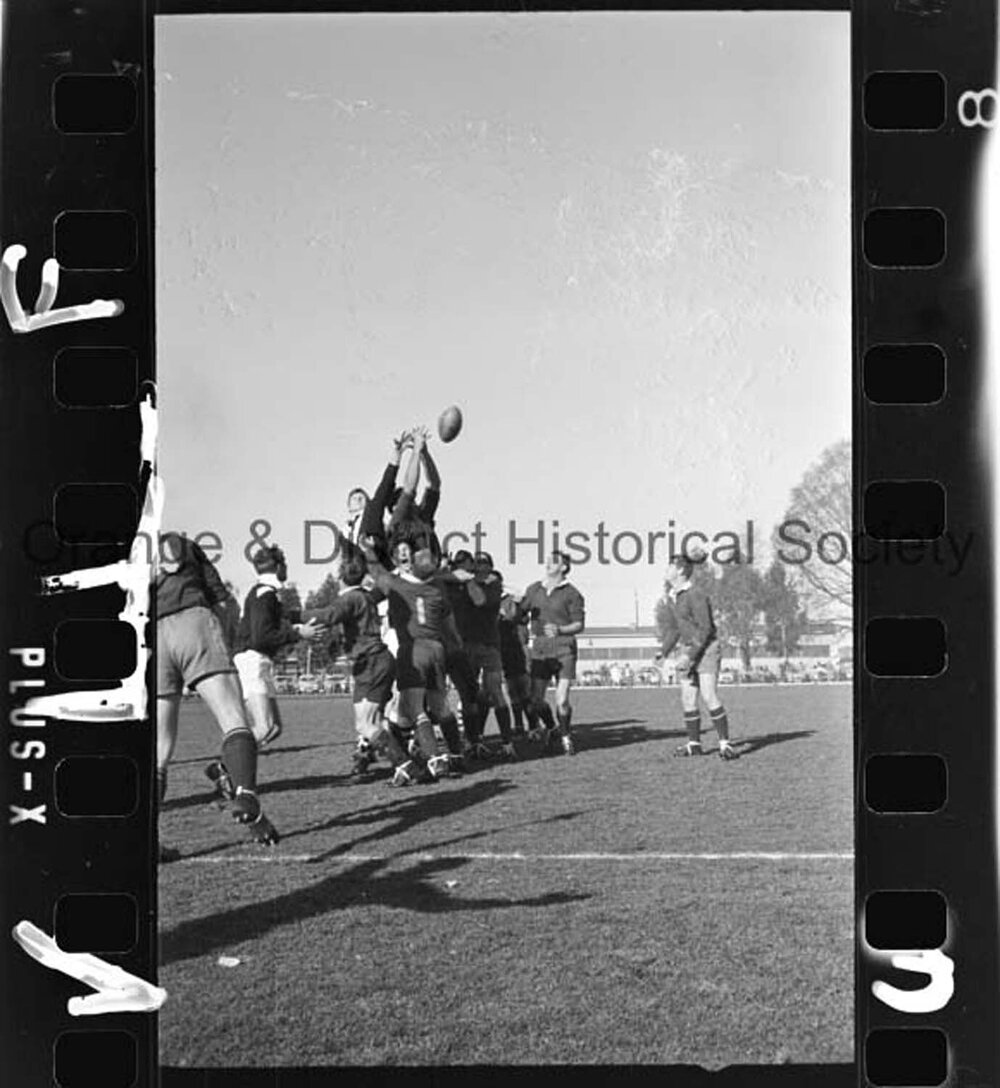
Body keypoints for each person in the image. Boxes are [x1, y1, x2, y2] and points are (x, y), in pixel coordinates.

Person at [155, 532, 279, 860]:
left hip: (153, 636)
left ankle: (147, 841)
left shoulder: (132, 555)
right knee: (234, 720)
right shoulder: (178, 541)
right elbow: (222, 599)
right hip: (193, 621)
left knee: (158, 752)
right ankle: (246, 794)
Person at [307, 552, 426, 786]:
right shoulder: (365, 596)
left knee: (365, 724)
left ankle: (406, 765)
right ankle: (405, 763)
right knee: (375, 721)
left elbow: (327, 616)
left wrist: (290, 616)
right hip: (370, 663)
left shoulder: (351, 598)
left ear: (341, 576)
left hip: (372, 662)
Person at [360, 536, 466, 779]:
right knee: (440, 705)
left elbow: (376, 571)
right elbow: (450, 626)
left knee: (415, 708)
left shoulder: (395, 584)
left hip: (412, 649)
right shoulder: (436, 588)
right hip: (437, 648)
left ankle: (435, 757)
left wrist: (368, 551)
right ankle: (457, 753)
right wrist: (455, 645)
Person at [229, 544, 325, 752]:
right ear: (280, 567)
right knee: (264, 727)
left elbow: (282, 618)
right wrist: (299, 633)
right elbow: (262, 637)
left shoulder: (266, 593)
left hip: (258, 659)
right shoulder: (265, 594)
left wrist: (304, 620)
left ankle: (235, 763)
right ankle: (225, 766)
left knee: (274, 728)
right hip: (252, 659)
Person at [656, 554, 738, 760]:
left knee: (709, 695)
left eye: (669, 566)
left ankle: (725, 745)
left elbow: (705, 628)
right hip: (689, 650)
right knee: (688, 698)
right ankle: (694, 745)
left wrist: (690, 656)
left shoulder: (695, 594)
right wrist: (663, 651)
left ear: (681, 570)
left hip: (707, 649)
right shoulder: (676, 596)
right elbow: (675, 629)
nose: (666, 570)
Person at [520, 551, 586, 756]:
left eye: (554, 561)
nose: (548, 563)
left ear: (564, 567)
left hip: (564, 648)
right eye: (547, 560)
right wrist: (514, 607)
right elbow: (521, 612)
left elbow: (579, 624)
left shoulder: (572, 593)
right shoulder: (534, 589)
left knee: (562, 699)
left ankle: (566, 737)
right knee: (535, 700)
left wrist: (561, 629)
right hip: (540, 650)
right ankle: (552, 727)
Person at [465, 552, 517, 758]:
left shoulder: (493, 586)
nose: (480, 567)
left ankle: (507, 743)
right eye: (477, 563)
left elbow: (481, 601)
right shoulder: (463, 586)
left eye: (484, 563)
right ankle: (475, 741)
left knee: (494, 691)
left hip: (489, 645)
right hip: (469, 644)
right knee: (473, 695)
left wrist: (466, 580)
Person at [497, 585, 534, 737]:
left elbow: (523, 617)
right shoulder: (491, 602)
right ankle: (519, 724)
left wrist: (518, 604)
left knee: (524, 690)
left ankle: (533, 725)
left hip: (519, 650)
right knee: (512, 691)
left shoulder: (512, 601)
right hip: (503, 651)